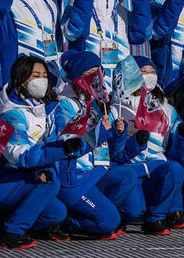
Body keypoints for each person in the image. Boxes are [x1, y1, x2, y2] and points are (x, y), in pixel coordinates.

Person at [0, 56, 68, 248]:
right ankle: (11, 232)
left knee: (55, 213)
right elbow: (21, 158)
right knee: (51, 184)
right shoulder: (12, 113)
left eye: (44, 75)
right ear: (22, 79)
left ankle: (3, 222)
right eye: (36, 75)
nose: (42, 79)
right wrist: (61, 150)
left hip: (19, 178)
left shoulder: (37, 107)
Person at [56, 50, 141, 240]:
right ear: (77, 78)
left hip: (100, 171)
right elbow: (70, 146)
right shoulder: (65, 106)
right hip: (77, 176)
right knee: (109, 222)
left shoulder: (102, 103)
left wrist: (119, 134)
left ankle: (97, 212)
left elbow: (115, 153)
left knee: (132, 198)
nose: (95, 77)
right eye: (88, 74)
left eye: (97, 72)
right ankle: (68, 221)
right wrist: (101, 131)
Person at [110, 56, 184, 234]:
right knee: (134, 210)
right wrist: (133, 141)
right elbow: (114, 152)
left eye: (152, 72)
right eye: (143, 72)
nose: (149, 76)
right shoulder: (117, 108)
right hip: (132, 169)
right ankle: (119, 215)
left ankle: (155, 218)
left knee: (176, 169)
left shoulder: (166, 109)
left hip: (157, 167)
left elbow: (179, 155)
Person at [61, 0, 151, 88]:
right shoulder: (77, 4)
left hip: (122, 80)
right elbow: (74, 33)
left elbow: (140, 36)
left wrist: (141, 3)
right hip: (91, 79)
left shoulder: (120, 10)